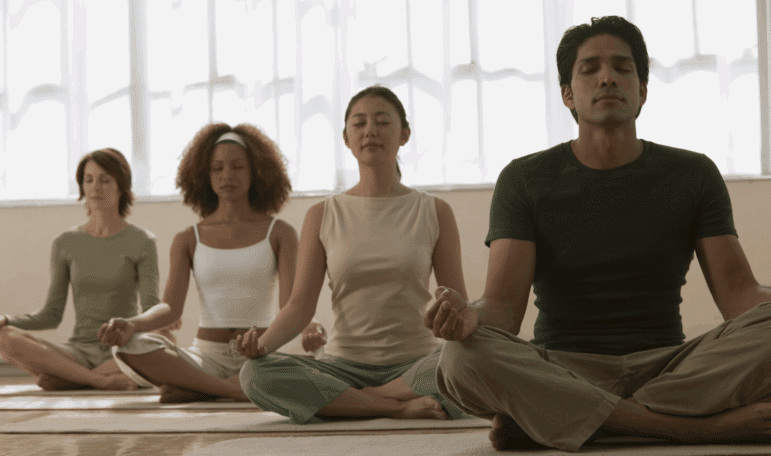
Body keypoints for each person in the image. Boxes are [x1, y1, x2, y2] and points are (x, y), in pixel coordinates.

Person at [427, 15, 771, 452]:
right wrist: (468, 316)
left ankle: (570, 420)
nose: (607, 77)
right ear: (568, 95)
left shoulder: (692, 173)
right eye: (590, 69)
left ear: (642, 90)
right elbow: (503, 308)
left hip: (669, 367)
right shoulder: (525, 178)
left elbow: (740, 295)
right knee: (459, 357)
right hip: (564, 367)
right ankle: (687, 427)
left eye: (623, 68)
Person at [235, 85, 469, 424]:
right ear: (346, 138)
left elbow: (456, 300)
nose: (370, 130)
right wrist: (261, 346)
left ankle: (353, 403)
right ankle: (393, 406)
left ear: (404, 134)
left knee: (472, 360)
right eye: (359, 123)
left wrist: (459, 325)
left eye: (382, 121)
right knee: (254, 375)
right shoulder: (323, 213)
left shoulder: (434, 210)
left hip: (417, 364)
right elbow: (300, 306)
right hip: (343, 367)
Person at [97, 123, 311, 403]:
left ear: (256, 171)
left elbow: (290, 304)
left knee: (306, 372)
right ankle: (233, 389)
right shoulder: (188, 238)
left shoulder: (280, 232)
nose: (227, 175)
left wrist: (311, 326)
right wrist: (132, 324)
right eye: (217, 168)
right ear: (204, 175)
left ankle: (197, 387)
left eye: (237, 167)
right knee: (129, 346)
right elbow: (170, 308)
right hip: (206, 357)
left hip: (261, 354)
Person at [0, 148, 168, 391]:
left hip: (122, 350)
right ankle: (97, 380)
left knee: (167, 340)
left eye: (105, 180)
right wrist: (5, 319)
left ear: (122, 186)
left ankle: (68, 378)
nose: (95, 188)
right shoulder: (66, 243)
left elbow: (151, 307)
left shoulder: (143, 241)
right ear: (82, 187)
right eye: (89, 180)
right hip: (77, 352)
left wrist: (161, 321)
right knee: (3, 337)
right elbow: (51, 315)